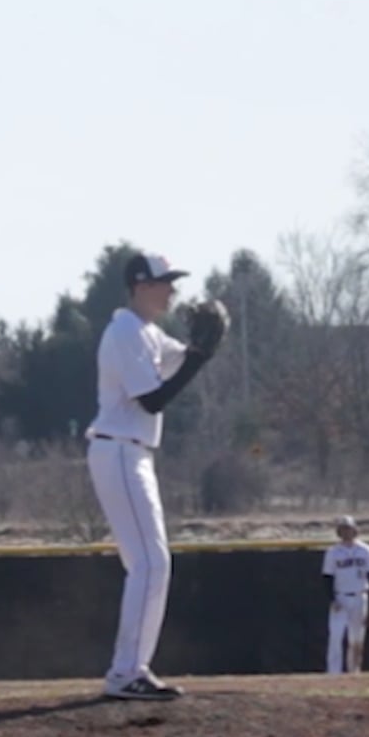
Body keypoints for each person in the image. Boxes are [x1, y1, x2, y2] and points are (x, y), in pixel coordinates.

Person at [84, 252, 226, 701]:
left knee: (148, 564)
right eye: (165, 283)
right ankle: (127, 672)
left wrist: (201, 350)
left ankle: (131, 670)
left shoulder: (147, 333)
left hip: (131, 452)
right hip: (120, 450)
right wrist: (199, 358)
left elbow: (180, 362)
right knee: (152, 564)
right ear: (141, 285)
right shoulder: (125, 331)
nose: (172, 291)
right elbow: (152, 400)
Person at [322, 515, 369, 674]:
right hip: (340, 597)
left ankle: (354, 672)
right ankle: (333, 673)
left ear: (355, 530)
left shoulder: (366, 550)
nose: (346, 533)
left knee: (356, 638)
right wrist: (332, 599)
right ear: (338, 532)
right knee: (336, 636)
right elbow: (327, 578)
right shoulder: (333, 552)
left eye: (348, 529)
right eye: (343, 529)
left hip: (360, 596)